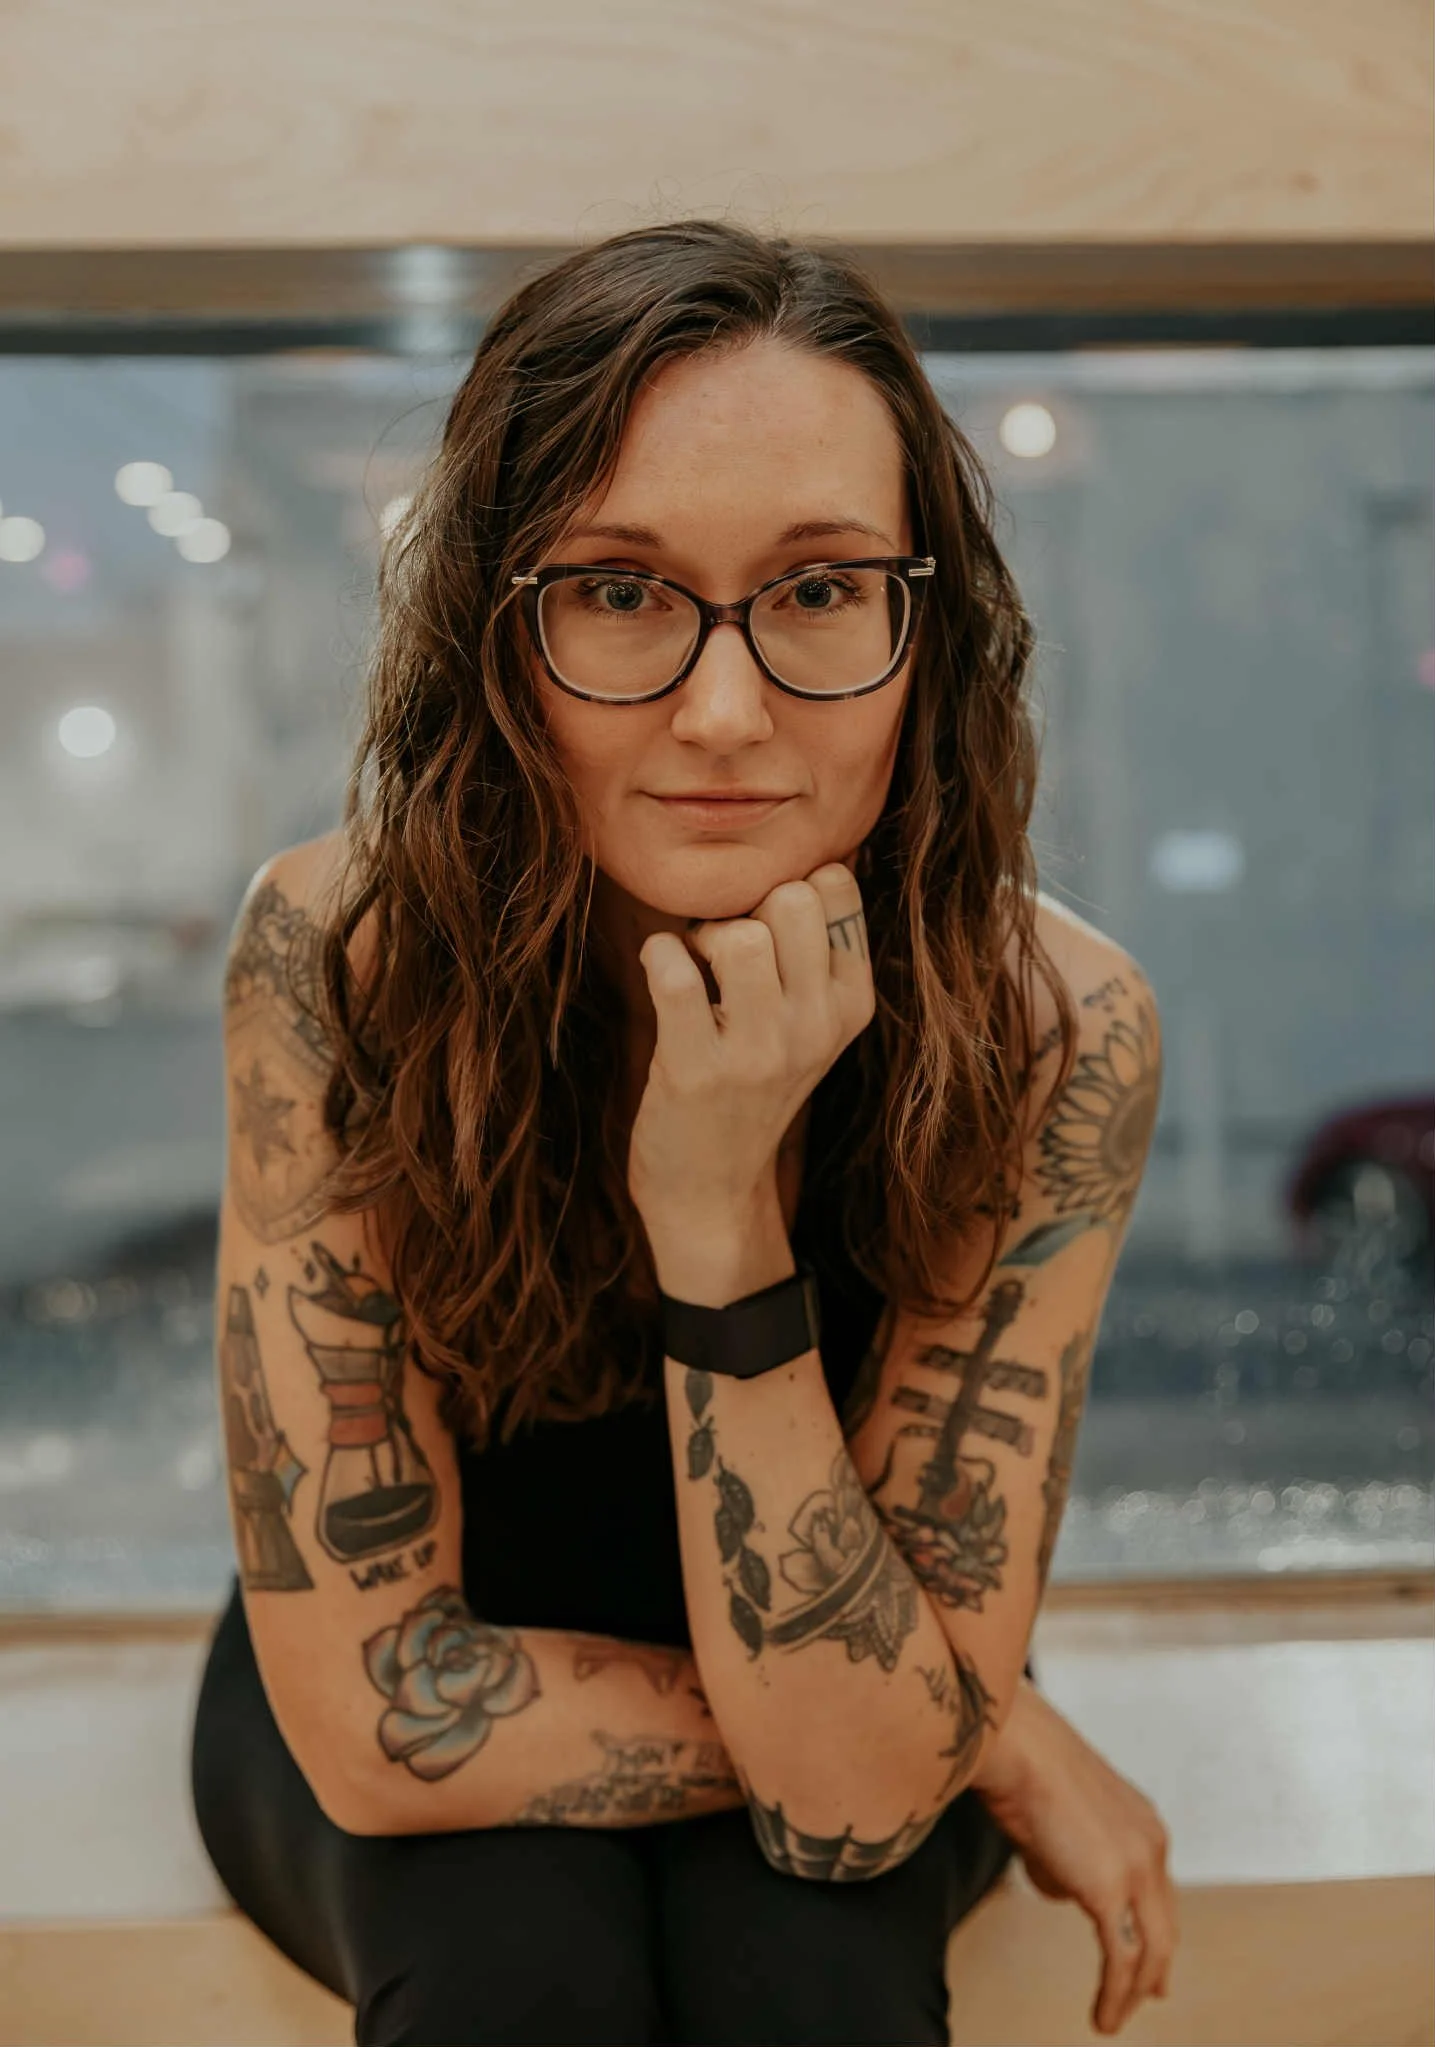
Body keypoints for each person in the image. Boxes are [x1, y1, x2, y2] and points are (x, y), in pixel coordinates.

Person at [190, 219, 1178, 2047]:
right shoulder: (342, 961)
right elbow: (384, 1712)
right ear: (500, 631)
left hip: (860, 1654)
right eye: (621, 590)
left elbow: (856, 1804)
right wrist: (980, 1721)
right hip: (421, 1646)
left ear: (922, 624)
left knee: (814, 1979)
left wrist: (717, 1219)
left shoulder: (1053, 1028)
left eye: (815, 591)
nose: (723, 715)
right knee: (514, 1977)